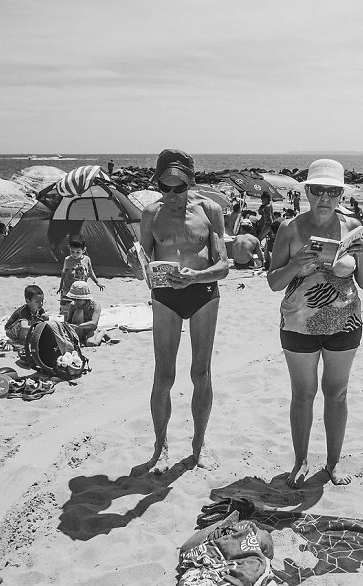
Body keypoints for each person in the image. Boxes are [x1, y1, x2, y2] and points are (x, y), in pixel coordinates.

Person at [267, 159, 363, 488]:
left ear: (341, 194)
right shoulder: (289, 229)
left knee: (337, 394)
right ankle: (300, 461)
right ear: (307, 193)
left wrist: (362, 254)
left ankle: (332, 462)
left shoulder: (352, 226)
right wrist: (295, 264)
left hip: (345, 322)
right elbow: (273, 282)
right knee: (303, 394)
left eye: (332, 191)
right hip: (298, 324)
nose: (325, 197)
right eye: (318, 190)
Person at [134, 148, 229, 474]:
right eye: (165, 187)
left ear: (191, 182)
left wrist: (196, 276)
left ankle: (198, 445)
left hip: (203, 294)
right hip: (165, 298)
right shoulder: (151, 214)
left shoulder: (210, 210)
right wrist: (139, 268)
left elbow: (223, 266)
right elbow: (142, 266)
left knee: (201, 373)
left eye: (180, 187)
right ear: (157, 184)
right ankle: (160, 448)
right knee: (164, 375)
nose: (172, 194)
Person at [57, 235, 104, 314]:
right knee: (67, 311)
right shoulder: (67, 260)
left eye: (78, 252)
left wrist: (97, 282)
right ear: (69, 248)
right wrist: (60, 286)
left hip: (81, 291)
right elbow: (64, 273)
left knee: (80, 310)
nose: (75, 254)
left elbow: (90, 272)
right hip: (69, 290)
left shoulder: (86, 259)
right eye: (72, 251)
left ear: (84, 250)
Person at [63, 281, 112, 346]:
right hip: (78, 330)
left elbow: (94, 323)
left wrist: (78, 326)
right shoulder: (73, 305)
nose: (76, 301)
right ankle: (80, 338)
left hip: (89, 329)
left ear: (85, 298)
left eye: (79, 299)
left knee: (91, 343)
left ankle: (102, 332)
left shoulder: (95, 305)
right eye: (74, 299)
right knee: (78, 311)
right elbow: (68, 321)